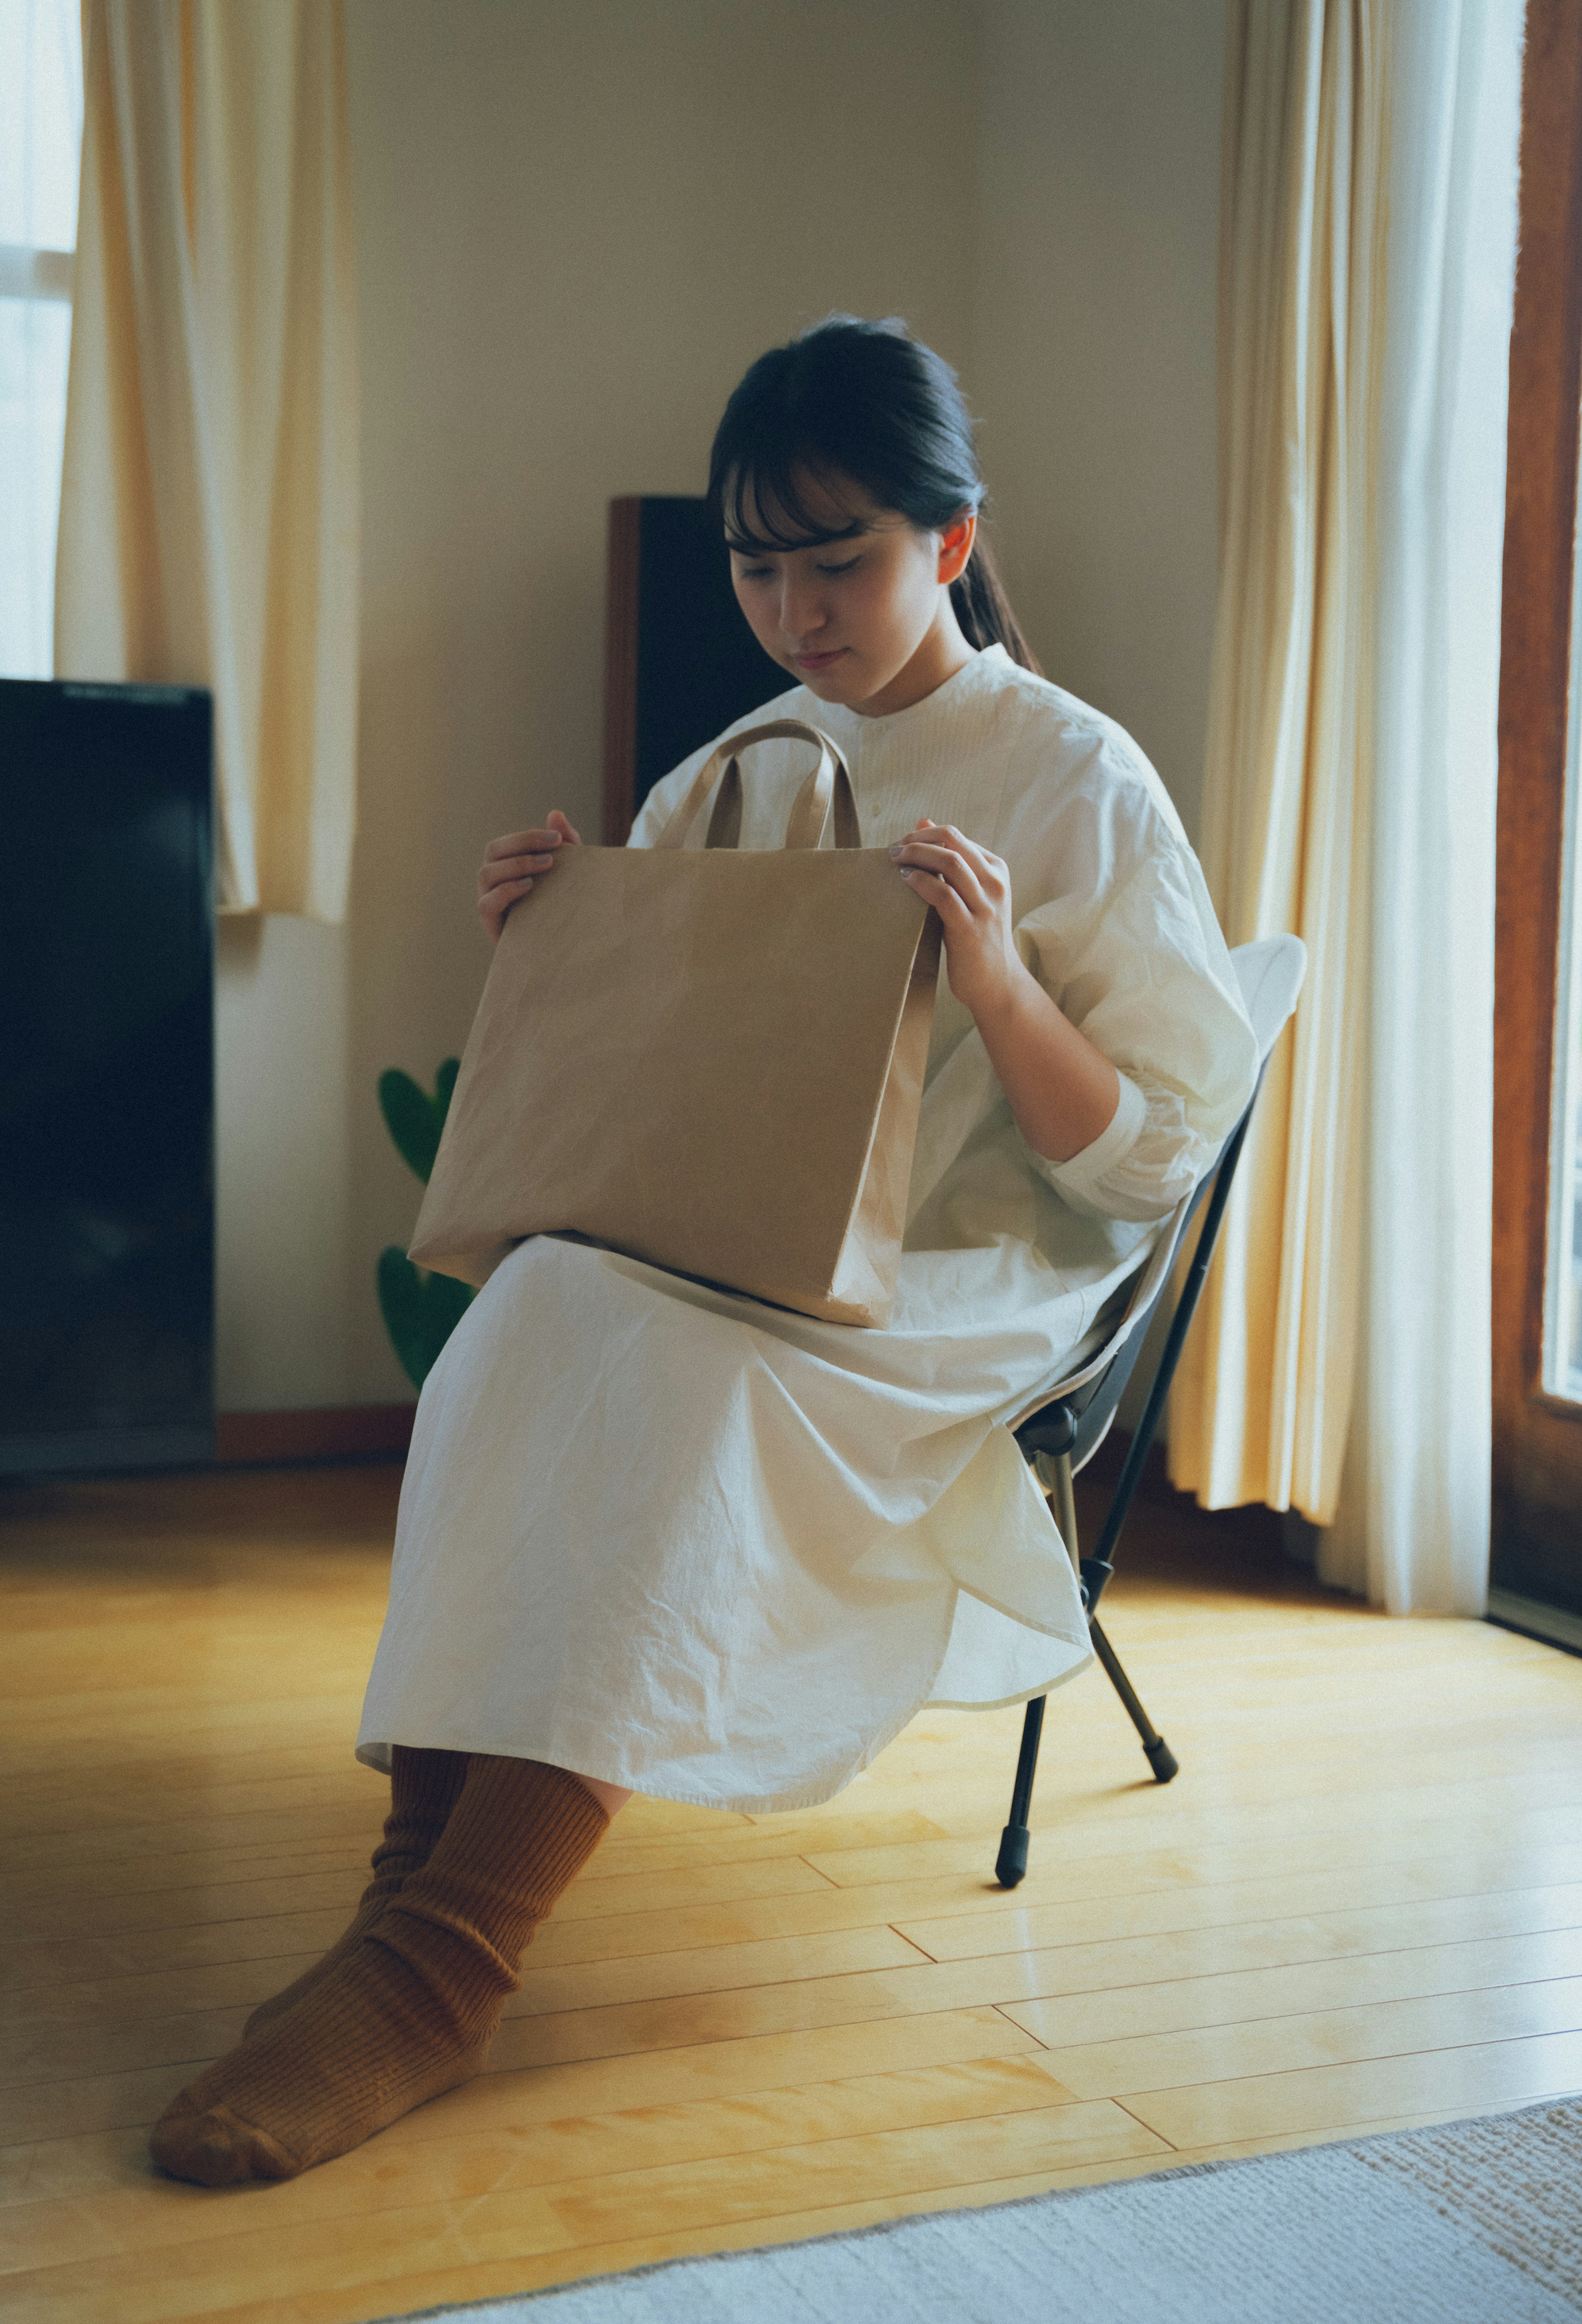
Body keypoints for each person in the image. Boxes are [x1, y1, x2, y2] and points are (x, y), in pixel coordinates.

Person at [151, 316, 1258, 2186]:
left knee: (670, 1376)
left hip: (970, 1261)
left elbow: (1140, 1159)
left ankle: (440, 1966)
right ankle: (403, 1892)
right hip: (733, 1232)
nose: (799, 608)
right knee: (522, 1319)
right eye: (758, 564)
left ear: (952, 546)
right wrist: (554, 935)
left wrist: (987, 967)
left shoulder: (1076, 777)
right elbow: (661, 1099)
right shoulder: (743, 763)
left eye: (843, 559)